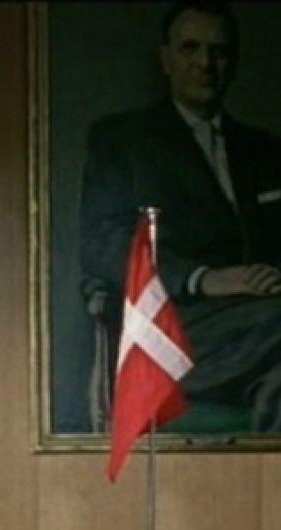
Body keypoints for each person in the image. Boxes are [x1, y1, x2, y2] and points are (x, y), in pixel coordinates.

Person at [79, 0, 281, 430]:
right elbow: (103, 244)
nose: (205, 63)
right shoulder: (123, 139)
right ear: (165, 60)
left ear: (234, 62)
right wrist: (202, 278)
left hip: (263, 323)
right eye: (191, 48)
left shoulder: (266, 151)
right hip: (176, 330)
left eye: (219, 52)